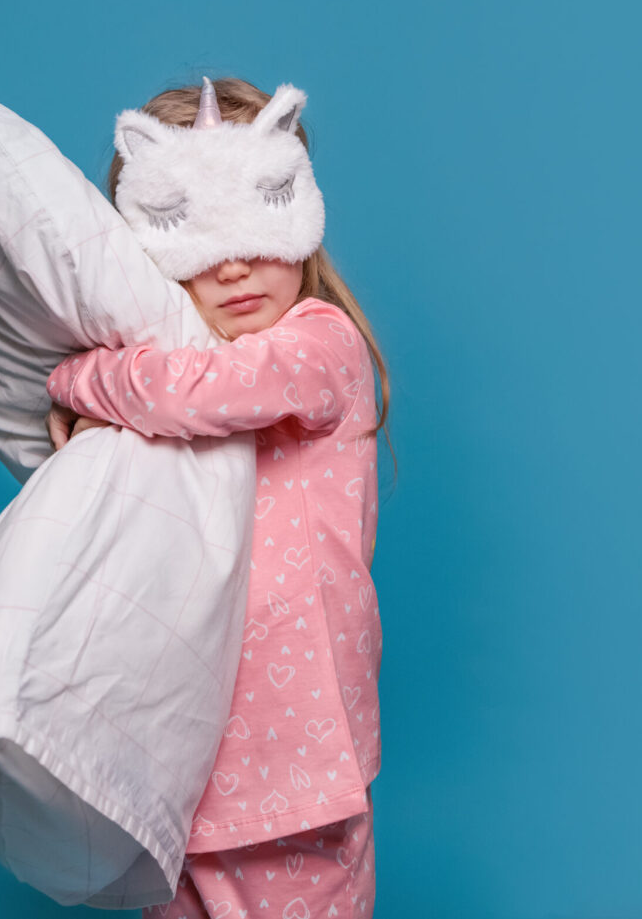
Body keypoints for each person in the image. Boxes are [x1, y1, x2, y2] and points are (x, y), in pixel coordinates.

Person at [45, 75, 392, 919]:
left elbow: (197, 390)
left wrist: (77, 376)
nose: (232, 263)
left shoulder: (321, 343)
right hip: (182, 757)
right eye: (192, 237)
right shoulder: (170, 369)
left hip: (294, 761)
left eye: (256, 223)